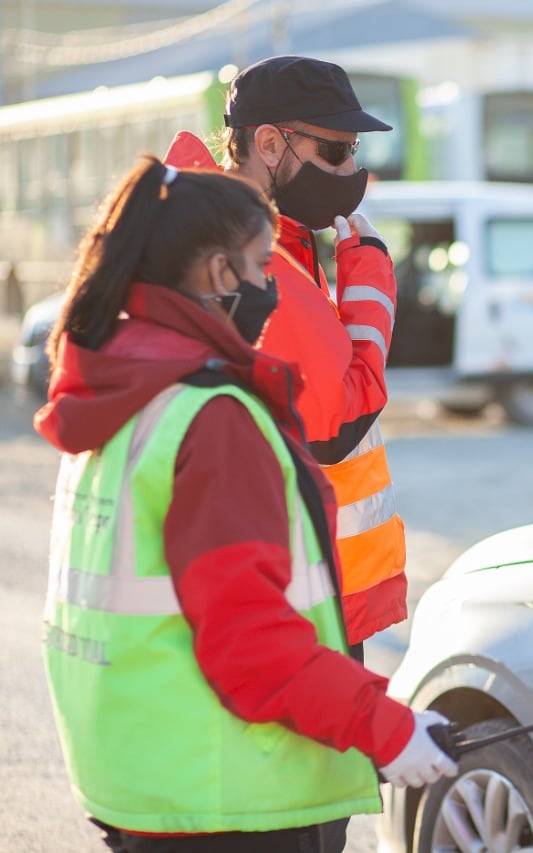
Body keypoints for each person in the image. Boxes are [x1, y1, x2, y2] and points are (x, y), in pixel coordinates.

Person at [36, 157, 457, 853]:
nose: (272, 287)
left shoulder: (118, 396)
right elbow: (253, 642)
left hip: (145, 784)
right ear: (218, 274)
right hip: (227, 799)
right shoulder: (215, 419)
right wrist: (389, 728)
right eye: (264, 265)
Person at [163, 55, 408, 662]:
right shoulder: (255, 256)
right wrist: (370, 275)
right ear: (270, 143)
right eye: (335, 152)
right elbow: (335, 427)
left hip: (283, 578)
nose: (352, 171)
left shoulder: (231, 231)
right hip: (297, 597)